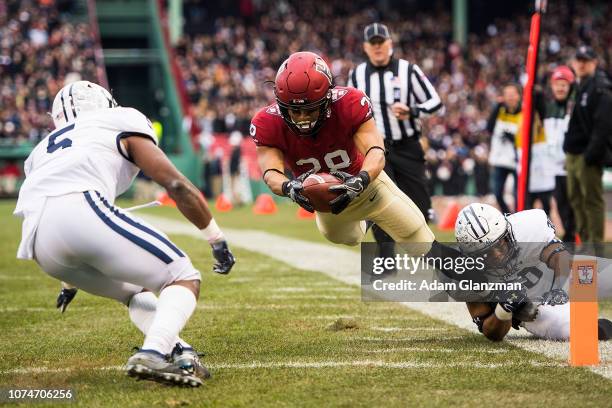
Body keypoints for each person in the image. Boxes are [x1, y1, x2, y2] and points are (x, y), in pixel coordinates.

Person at [14, 81, 236, 387]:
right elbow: (176, 185)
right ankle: (153, 353)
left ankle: (181, 352)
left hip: (39, 241)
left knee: (134, 291)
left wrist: (68, 281)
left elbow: (55, 209)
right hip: (81, 209)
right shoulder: (121, 119)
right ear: (103, 102)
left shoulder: (42, 149)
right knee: (183, 275)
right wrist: (216, 238)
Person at [251, 51, 434, 249]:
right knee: (349, 239)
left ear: (327, 99)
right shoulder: (267, 123)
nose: (302, 117)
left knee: (421, 241)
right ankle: (366, 223)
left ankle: (469, 276)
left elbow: (376, 151)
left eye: (310, 109)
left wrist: (361, 180)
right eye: (294, 110)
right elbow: (271, 173)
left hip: (366, 185)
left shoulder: (349, 103)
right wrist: (290, 188)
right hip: (327, 202)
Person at [347, 23, 443, 263]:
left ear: (390, 44)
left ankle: (425, 253)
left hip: (408, 145)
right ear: (366, 47)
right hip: (377, 148)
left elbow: (436, 103)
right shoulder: (357, 75)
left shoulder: (408, 70)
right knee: (380, 200)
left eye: (382, 42)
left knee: (420, 203)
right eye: (373, 43)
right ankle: (386, 257)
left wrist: (412, 111)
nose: (378, 47)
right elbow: (347, 111)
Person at [455, 203, 612, 341]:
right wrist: (505, 309)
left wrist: (559, 288)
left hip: (559, 276)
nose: (498, 254)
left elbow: (559, 257)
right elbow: (491, 332)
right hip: (536, 307)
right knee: (576, 329)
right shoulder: (468, 273)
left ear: (507, 231)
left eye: (500, 243)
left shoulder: (527, 226)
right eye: (487, 252)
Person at [564, 45, 612, 243]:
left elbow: (603, 126)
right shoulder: (579, 85)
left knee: (591, 201)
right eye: (578, 60)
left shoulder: (600, 88)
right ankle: (584, 243)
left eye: (585, 61)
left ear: (594, 63)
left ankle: (596, 246)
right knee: (576, 201)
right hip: (573, 154)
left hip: (587, 154)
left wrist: (590, 154)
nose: (581, 64)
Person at [542, 65, 576, 241]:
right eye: (557, 84)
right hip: (552, 167)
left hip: (570, 166)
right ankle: (569, 237)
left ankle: (573, 237)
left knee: (573, 205)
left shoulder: (575, 108)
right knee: (561, 204)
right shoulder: (547, 108)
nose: (561, 88)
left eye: (564, 84)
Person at [486, 84, 522, 214]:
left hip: (516, 160)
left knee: (518, 194)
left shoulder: (524, 112)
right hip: (500, 159)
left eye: (513, 94)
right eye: (507, 94)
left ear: (519, 96)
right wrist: (496, 107)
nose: (510, 97)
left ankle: (518, 218)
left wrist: (513, 138)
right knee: (497, 192)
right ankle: (508, 216)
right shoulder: (499, 110)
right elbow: (489, 128)